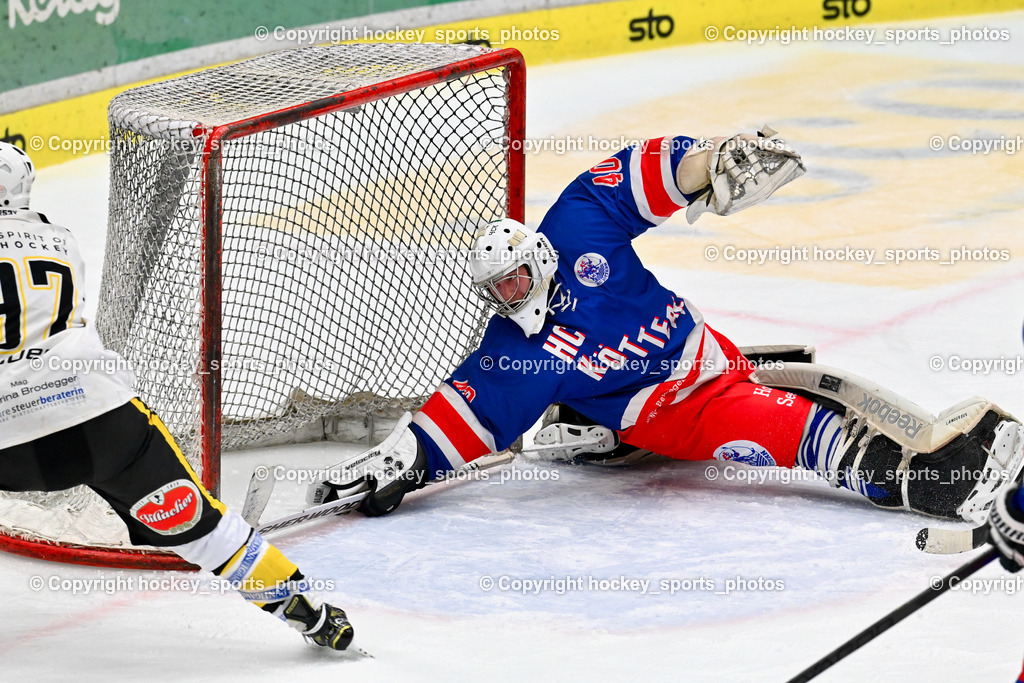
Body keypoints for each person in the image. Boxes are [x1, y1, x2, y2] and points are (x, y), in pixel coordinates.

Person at [322, 129, 1023, 527]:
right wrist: (400, 462)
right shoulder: (519, 349)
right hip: (676, 411)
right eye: (496, 290)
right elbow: (463, 416)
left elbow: (639, 176)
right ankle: (943, 484)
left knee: (818, 398)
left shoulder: (573, 225)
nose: (511, 294)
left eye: (516, 278)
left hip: (706, 352)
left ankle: (587, 431)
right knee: (806, 435)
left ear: (538, 255)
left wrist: (709, 162)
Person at [0, 141, 354, 651]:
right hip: (100, 419)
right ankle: (313, 615)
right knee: (205, 527)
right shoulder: (59, 239)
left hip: (9, 445)